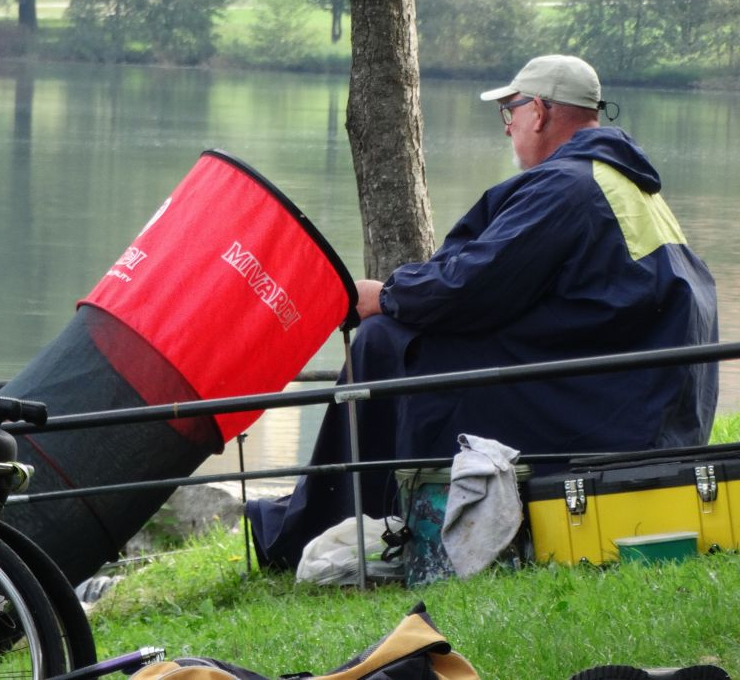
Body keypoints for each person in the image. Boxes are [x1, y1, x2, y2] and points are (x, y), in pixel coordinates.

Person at [247, 54, 719, 569]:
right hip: (646, 404)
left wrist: (384, 295)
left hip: (611, 412)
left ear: (539, 111)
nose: (508, 126)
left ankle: (324, 524)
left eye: (510, 111)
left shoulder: (567, 187)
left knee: (386, 342)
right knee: (411, 344)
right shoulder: (624, 183)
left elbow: (470, 288)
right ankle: (359, 509)